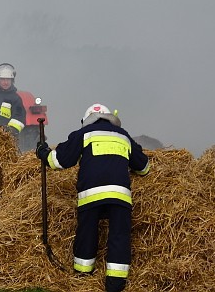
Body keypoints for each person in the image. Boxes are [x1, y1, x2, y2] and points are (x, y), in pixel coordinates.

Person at [35, 103, 150, 292]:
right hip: (120, 195)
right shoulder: (124, 136)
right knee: (119, 236)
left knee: (87, 233)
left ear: (86, 119)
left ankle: (82, 277)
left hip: (91, 194)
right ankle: (115, 285)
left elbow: (59, 161)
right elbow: (144, 168)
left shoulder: (84, 134)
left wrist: (43, 152)